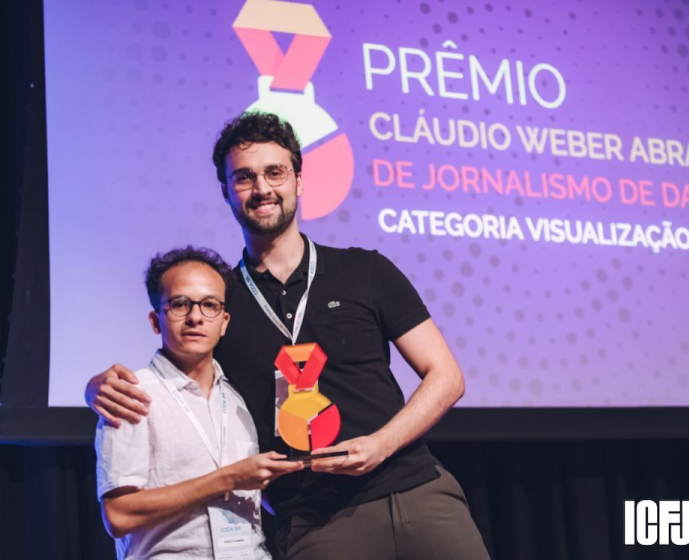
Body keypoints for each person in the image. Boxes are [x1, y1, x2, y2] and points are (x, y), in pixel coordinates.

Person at [87, 113, 490, 559]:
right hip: (315, 519)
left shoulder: (364, 270)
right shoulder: (221, 300)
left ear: (299, 180)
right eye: (244, 177)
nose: (262, 189)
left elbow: (446, 376)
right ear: (226, 191)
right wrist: (95, 387)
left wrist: (382, 445)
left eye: (275, 172)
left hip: (416, 489)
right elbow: (175, 366)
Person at [95, 246, 302, 559]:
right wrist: (227, 479)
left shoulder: (236, 398)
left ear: (224, 322)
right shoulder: (130, 395)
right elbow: (119, 515)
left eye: (209, 305)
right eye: (180, 304)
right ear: (155, 320)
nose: (195, 317)